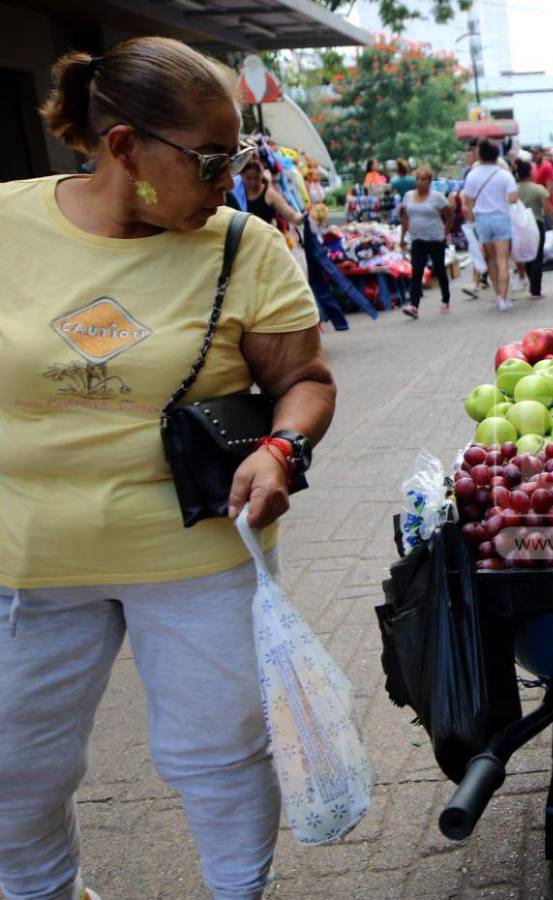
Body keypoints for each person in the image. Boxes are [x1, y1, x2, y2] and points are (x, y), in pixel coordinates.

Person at [0, 36, 335, 900]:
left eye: (238, 158)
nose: (230, 180)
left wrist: (281, 447)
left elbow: (302, 380)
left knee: (218, 752)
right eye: (212, 161)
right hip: (25, 561)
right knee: (14, 769)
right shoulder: (8, 225)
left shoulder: (244, 247)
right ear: (122, 148)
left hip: (197, 550)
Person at [462, 138, 519, 311]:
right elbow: (513, 198)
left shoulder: (472, 174)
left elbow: (468, 201)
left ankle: (497, 295)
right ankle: (504, 297)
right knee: (503, 260)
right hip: (501, 218)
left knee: (491, 260)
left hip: (482, 220)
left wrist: (471, 221)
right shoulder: (504, 174)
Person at [400, 165, 453, 317]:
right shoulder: (408, 196)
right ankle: (414, 306)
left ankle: (445, 299)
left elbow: (449, 216)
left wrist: (445, 232)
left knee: (439, 270)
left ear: (429, 181)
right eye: (417, 179)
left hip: (435, 239)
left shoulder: (437, 197)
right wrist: (403, 237)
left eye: (423, 179)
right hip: (417, 239)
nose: (420, 182)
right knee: (416, 272)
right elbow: (405, 217)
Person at [516, 159, 553, 300]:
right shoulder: (538, 189)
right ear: (530, 173)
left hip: (518, 227)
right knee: (537, 257)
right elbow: (548, 209)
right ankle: (536, 290)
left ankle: (531, 284)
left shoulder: (513, 190)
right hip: (536, 225)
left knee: (526, 256)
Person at [240, 159, 304, 228]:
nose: (252, 183)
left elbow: (291, 215)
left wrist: (303, 219)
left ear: (261, 176)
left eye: (256, 178)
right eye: (248, 178)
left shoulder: (269, 194)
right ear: (242, 176)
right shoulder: (239, 191)